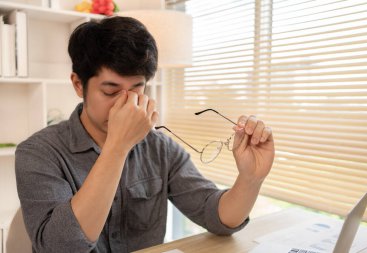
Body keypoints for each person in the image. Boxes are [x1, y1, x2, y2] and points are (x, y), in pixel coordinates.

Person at [15, 16, 275, 253]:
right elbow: (60, 248)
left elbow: (218, 217)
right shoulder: (38, 152)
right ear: (78, 84)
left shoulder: (160, 148)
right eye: (110, 91)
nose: (126, 105)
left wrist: (250, 179)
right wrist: (117, 146)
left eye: (137, 89)